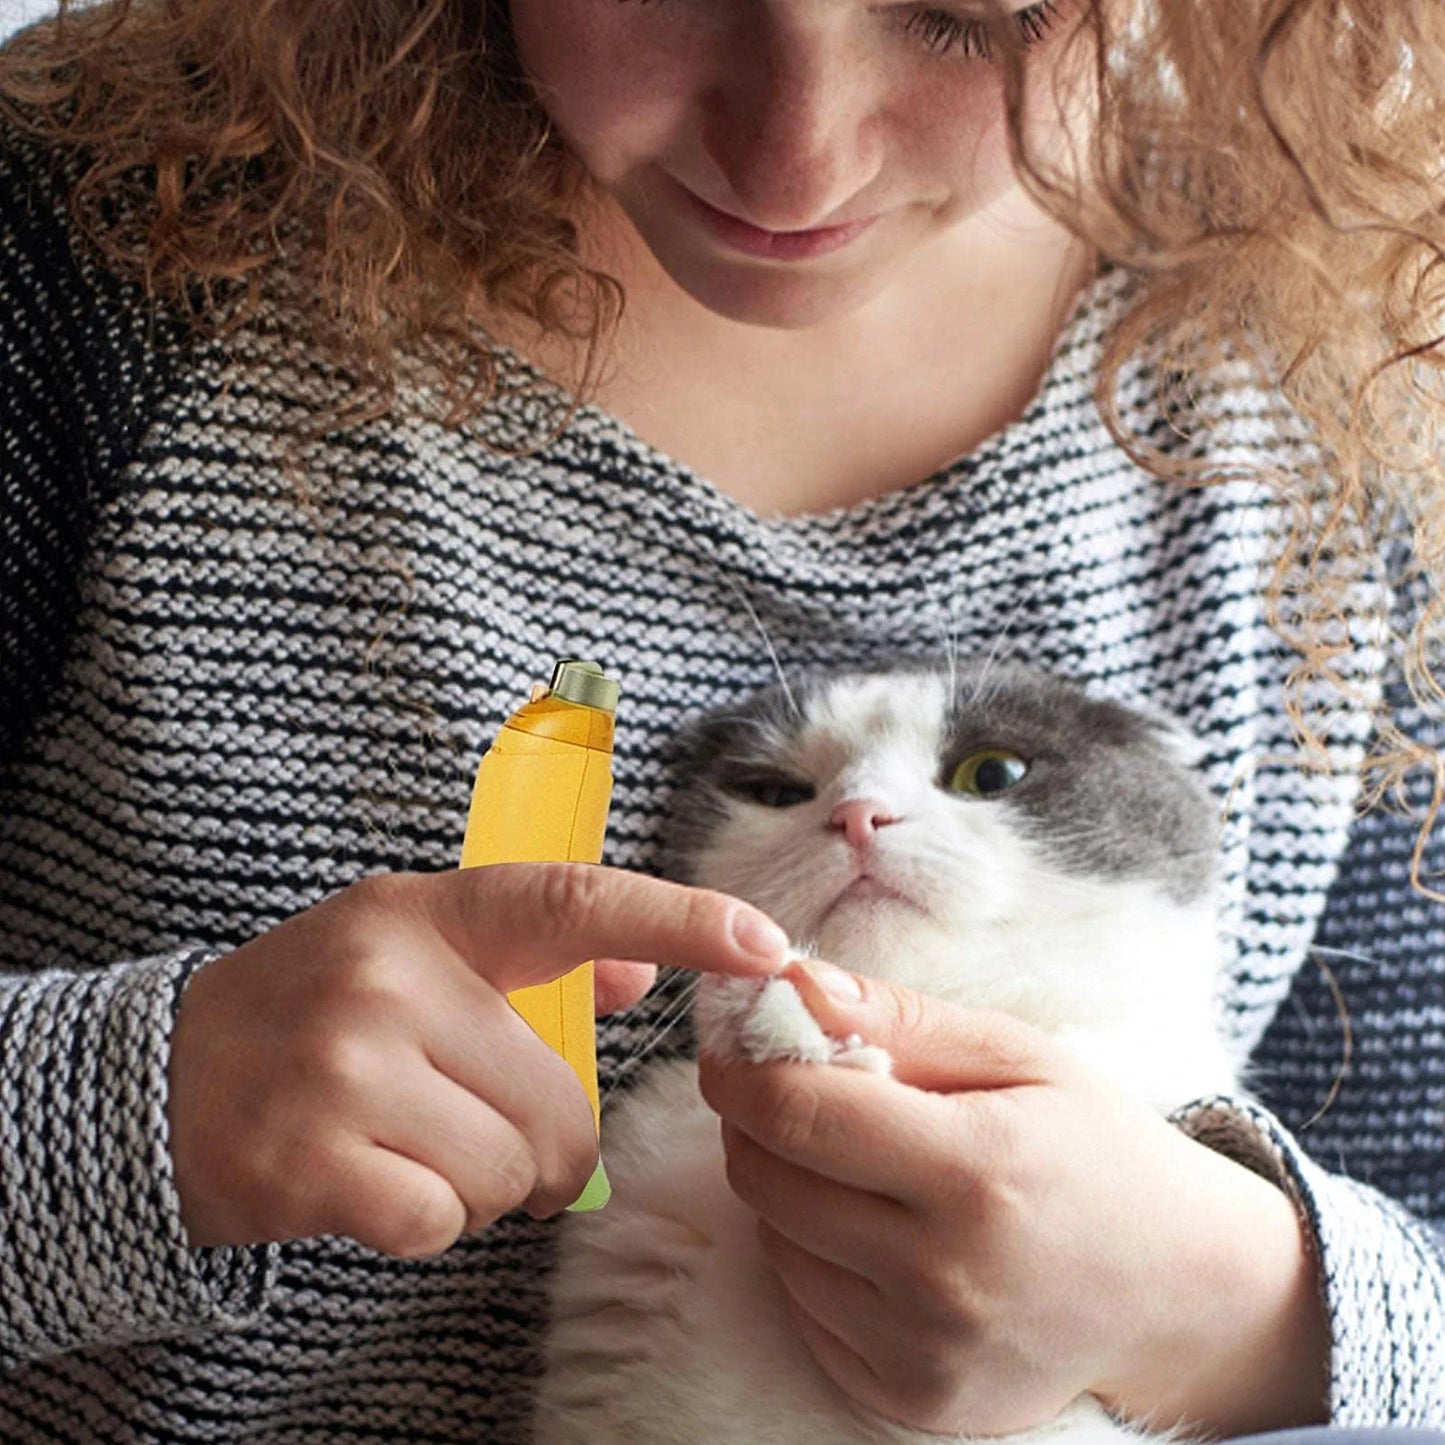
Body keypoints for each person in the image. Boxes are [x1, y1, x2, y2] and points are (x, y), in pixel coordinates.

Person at [0, 0, 1441, 1441]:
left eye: (967, 14)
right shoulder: (102, 226)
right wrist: (131, 1115)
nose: (795, 159)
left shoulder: (1340, 343)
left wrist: (1249, 1311)